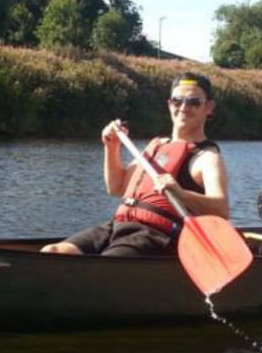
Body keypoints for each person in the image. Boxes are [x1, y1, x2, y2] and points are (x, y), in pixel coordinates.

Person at [41, 73, 231, 257]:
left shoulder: (207, 157)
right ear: (169, 104)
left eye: (193, 102)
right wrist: (112, 146)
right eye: (177, 100)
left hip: (156, 236)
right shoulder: (157, 145)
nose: (183, 107)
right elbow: (116, 187)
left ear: (209, 108)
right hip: (117, 226)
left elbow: (221, 210)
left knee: (102, 268)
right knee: (52, 252)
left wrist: (181, 194)